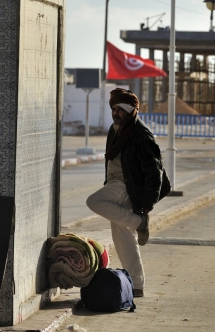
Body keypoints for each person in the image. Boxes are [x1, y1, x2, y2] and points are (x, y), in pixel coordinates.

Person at [86, 88, 170, 298]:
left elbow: (155, 172)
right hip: (117, 182)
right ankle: (137, 284)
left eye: (120, 109)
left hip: (129, 186)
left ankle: (140, 222)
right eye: (113, 109)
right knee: (123, 237)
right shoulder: (116, 129)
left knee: (94, 201)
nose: (115, 113)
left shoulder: (141, 134)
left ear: (130, 110)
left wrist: (147, 204)